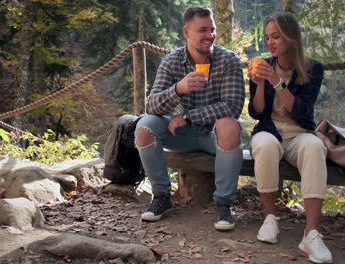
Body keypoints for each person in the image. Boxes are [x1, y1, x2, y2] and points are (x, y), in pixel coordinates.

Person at [135, 5, 245, 231]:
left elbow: (232, 106)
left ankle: (224, 204)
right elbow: (152, 104)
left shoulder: (228, 60)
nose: (210, 35)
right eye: (203, 30)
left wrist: (188, 115)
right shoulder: (172, 61)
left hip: (214, 137)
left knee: (229, 125)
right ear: (186, 32)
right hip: (181, 136)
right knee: (145, 126)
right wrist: (179, 88)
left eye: (212, 29)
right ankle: (161, 197)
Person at [247, 12, 332, 263]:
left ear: (291, 38)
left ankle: (311, 233)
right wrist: (260, 83)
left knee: (315, 148)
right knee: (264, 145)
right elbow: (256, 112)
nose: (269, 42)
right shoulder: (262, 63)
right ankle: (270, 218)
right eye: (267, 37)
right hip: (269, 131)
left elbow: (301, 111)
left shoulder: (313, 69)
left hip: (299, 133)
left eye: (276, 37)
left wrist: (276, 82)